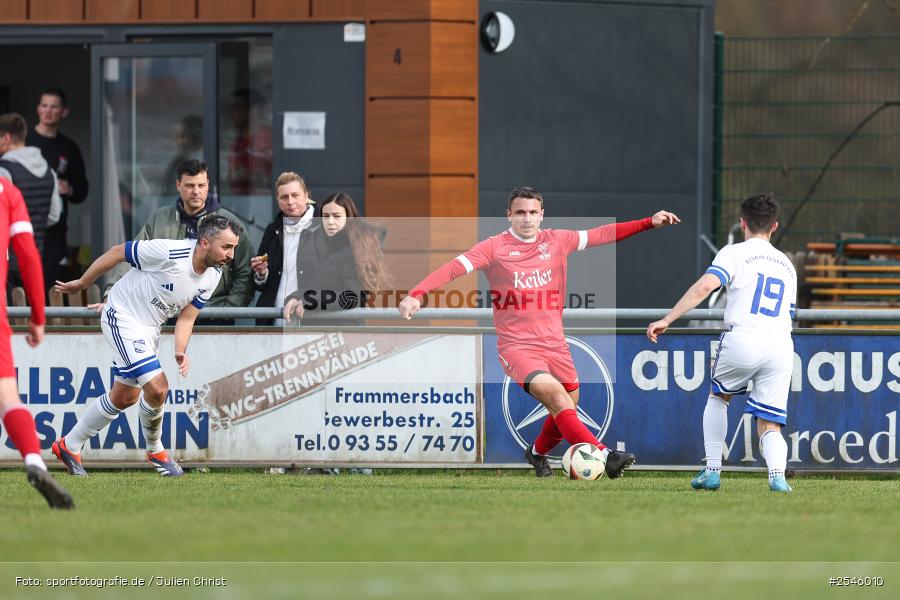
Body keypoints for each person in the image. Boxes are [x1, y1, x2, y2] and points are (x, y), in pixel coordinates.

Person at [399, 186, 680, 478]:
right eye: (520, 212)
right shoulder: (494, 247)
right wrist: (417, 294)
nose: (527, 218)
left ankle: (536, 453)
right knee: (558, 399)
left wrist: (649, 223)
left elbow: (602, 234)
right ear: (508, 215)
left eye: (533, 212)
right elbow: (454, 268)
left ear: (542, 215)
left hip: (555, 344)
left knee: (568, 405)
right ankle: (606, 455)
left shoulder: (557, 240)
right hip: (517, 347)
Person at [51, 216, 242, 477]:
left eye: (234, 248)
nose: (231, 255)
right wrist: (83, 283)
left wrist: (180, 350)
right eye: (227, 247)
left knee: (125, 397)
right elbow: (117, 252)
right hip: (122, 315)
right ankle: (156, 451)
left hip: (149, 329)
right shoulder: (169, 251)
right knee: (158, 387)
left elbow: (187, 317)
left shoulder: (213, 275)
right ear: (205, 243)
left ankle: (69, 445)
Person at [646, 193, 797, 493]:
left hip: (744, 336)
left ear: (742, 223)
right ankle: (777, 476)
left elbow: (705, 286)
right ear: (774, 226)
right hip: (781, 343)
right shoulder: (787, 265)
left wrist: (668, 318)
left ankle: (713, 471)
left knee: (719, 397)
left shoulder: (734, 253)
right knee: (770, 421)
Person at [0, 177, 73, 508]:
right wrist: (38, 316)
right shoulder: (7, 190)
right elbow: (28, 254)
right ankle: (34, 460)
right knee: (7, 397)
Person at [105, 160, 253, 314]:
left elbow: (245, 272)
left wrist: (228, 309)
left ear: (208, 185)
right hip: (165, 313)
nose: (196, 191)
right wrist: (111, 292)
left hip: (213, 314)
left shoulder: (229, 224)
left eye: (201, 185)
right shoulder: (160, 218)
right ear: (178, 185)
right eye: (190, 185)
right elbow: (132, 259)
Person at [283, 192, 389, 324]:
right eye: (325, 216)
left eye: (336, 216)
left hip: (343, 332)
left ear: (348, 218)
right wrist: (295, 297)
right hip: (326, 331)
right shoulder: (331, 249)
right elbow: (316, 288)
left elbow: (352, 297)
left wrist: (312, 301)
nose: (330, 222)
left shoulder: (353, 251)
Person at [26, 88, 89, 286]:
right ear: (38, 109)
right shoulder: (24, 142)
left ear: (64, 112)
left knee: (52, 284)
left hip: (55, 230)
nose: (48, 111)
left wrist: (68, 189)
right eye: (44, 106)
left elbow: (81, 190)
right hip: (25, 224)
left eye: (54, 107)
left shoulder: (69, 147)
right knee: (21, 285)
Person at [0, 112, 62, 293]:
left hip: (8, 261)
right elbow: (54, 216)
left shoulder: (4, 171)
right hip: (35, 257)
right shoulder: (49, 171)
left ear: (6, 138)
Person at [250, 172, 315, 324]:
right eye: (284, 197)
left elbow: (331, 278)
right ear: (278, 200)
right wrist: (261, 274)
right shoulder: (272, 230)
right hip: (273, 322)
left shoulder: (322, 226)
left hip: (309, 320)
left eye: (295, 195)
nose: (290, 202)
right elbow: (257, 283)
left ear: (306, 196)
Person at [160, 114, 203, 197]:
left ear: (195, 137)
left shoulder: (208, 160)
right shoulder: (178, 161)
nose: (179, 141)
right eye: (177, 137)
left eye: (183, 136)